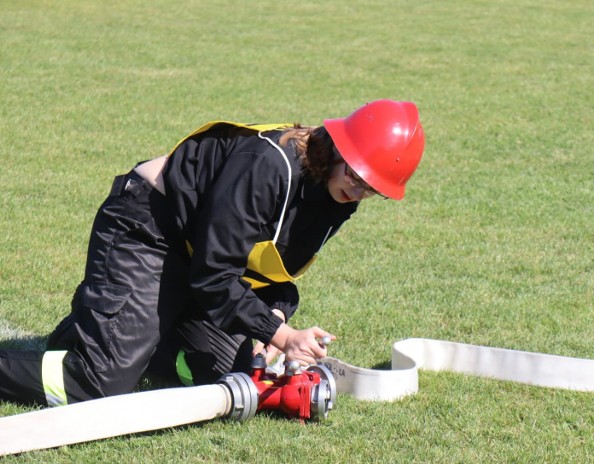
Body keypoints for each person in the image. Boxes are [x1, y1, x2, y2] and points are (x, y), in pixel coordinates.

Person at [0, 99, 425, 407]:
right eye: (356, 173)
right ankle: (107, 335)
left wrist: (276, 314)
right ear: (336, 147)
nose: (359, 189)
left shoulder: (338, 197)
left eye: (373, 187)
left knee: (232, 369)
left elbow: (274, 268)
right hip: (148, 229)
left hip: (199, 258)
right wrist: (281, 336)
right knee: (99, 384)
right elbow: (215, 277)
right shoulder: (268, 166)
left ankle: (102, 327)